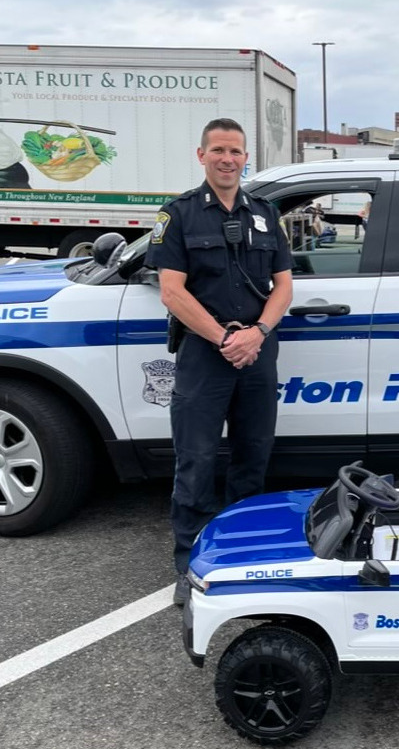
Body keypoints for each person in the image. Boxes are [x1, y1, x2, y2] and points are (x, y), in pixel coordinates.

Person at [145, 117, 294, 605]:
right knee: (196, 460)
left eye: (236, 151)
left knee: (253, 457)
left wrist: (258, 333)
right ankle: (189, 568)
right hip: (205, 355)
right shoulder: (179, 215)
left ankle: (244, 560)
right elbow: (172, 290)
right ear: (201, 155)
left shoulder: (266, 214)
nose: (228, 159)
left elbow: (284, 286)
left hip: (256, 350)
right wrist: (224, 338)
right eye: (219, 150)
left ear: (246, 157)